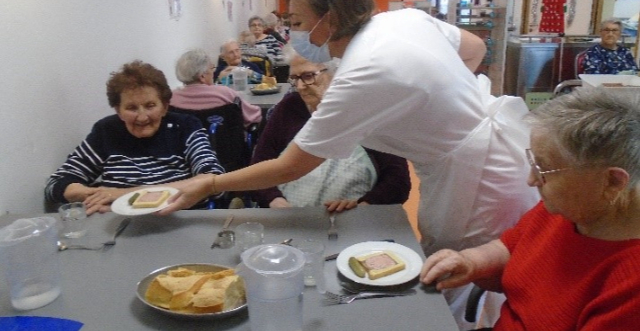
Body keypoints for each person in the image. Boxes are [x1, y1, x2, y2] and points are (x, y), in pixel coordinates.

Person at [159, 0, 539, 328]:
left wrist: (208, 183)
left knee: (463, 276)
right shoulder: (402, 19)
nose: (293, 33)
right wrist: (437, 106)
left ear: (331, 19)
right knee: (477, 269)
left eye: (297, 23)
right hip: (497, 147)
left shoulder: (363, 72)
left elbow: (291, 165)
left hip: (477, 176)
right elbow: (474, 49)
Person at [420, 87, 640, 331]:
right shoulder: (574, 208)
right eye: (533, 162)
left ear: (612, 182)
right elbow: (511, 247)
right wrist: (471, 262)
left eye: (544, 169)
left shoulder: (630, 286)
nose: (532, 180)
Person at [45, 60, 224, 215]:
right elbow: (56, 184)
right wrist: (94, 195)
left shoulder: (185, 126)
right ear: (118, 110)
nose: (142, 117)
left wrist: (121, 195)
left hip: (177, 220)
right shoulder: (106, 130)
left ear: (165, 106)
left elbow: (212, 180)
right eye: (131, 108)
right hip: (117, 225)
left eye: (150, 105)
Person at [250, 53, 411, 211]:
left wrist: (363, 206)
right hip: (291, 219)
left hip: (353, 223)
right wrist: (275, 200)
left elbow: (398, 180)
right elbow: (260, 165)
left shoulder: (367, 111)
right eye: (294, 79)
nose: (299, 87)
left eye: (308, 76)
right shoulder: (289, 108)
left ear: (336, 73)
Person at [171, 48, 262, 128]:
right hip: (225, 146)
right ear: (202, 76)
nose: (213, 73)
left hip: (187, 147)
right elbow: (254, 116)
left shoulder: (171, 98)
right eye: (211, 68)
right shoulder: (226, 94)